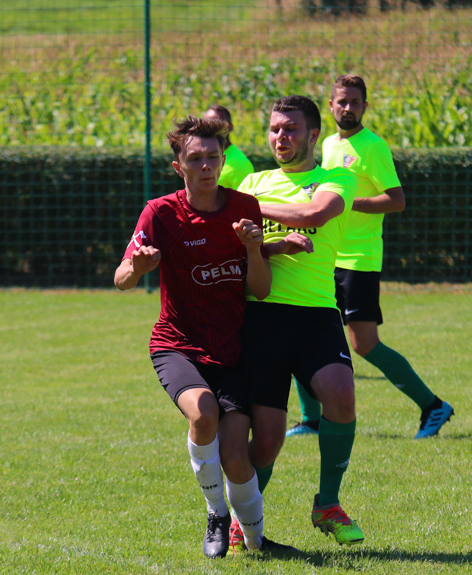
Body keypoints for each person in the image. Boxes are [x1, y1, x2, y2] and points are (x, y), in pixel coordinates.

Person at [114, 115, 309, 558]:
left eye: (212, 157)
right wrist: (138, 268)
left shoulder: (243, 207)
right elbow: (121, 278)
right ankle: (216, 514)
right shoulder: (160, 212)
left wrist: (255, 249)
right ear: (178, 165)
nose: (205, 166)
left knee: (237, 457)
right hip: (176, 344)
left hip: (231, 350)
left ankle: (258, 542)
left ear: (224, 160)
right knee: (202, 415)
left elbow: (259, 288)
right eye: (195, 158)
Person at [286, 74, 454, 440]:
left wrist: (345, 201)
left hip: (358, 259)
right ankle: (311, 419)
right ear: (330, 106)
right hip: (326, 256)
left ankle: (432, 406)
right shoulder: (325, 144)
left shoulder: (373, 147)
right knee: (301, 330)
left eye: (355, 102)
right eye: (341, 101)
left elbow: (396, 199)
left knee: (364, 344)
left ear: (365, 107)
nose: (348, 108)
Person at [233, 95, 365, 547]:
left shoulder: (336, 177)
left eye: (290, 129)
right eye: (274, 129)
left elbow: (315, 214)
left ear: (313, 135)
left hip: (316, 314)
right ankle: (241, 521)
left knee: (341, 395)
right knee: (267, 440)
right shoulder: (253, 180)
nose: (280, 137)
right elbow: (236, 251)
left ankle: (327, 503)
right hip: (263, 316)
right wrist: (268, 243)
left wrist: (249, 210)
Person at [205, 105, 255, 190]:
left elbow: (247, 201)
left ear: (230, 127)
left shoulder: (239, 163)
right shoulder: (202, 158)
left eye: (217, 122)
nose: (211, 127)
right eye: (207, 122)